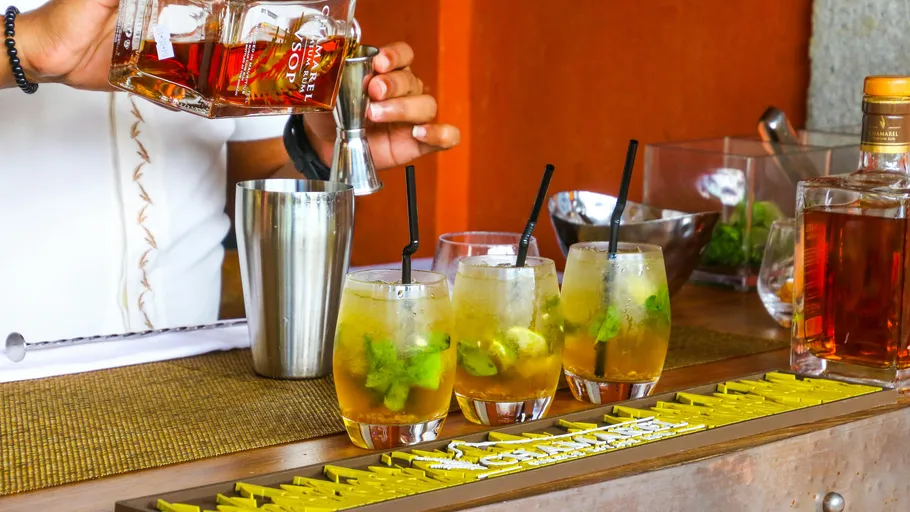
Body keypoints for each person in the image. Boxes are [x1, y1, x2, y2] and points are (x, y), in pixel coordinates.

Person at [0, 0, 460, 342]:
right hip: (19, 375)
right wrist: (27, 44)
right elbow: (38, 45)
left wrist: (316, 153)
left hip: (190, 366)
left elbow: (249, 182)